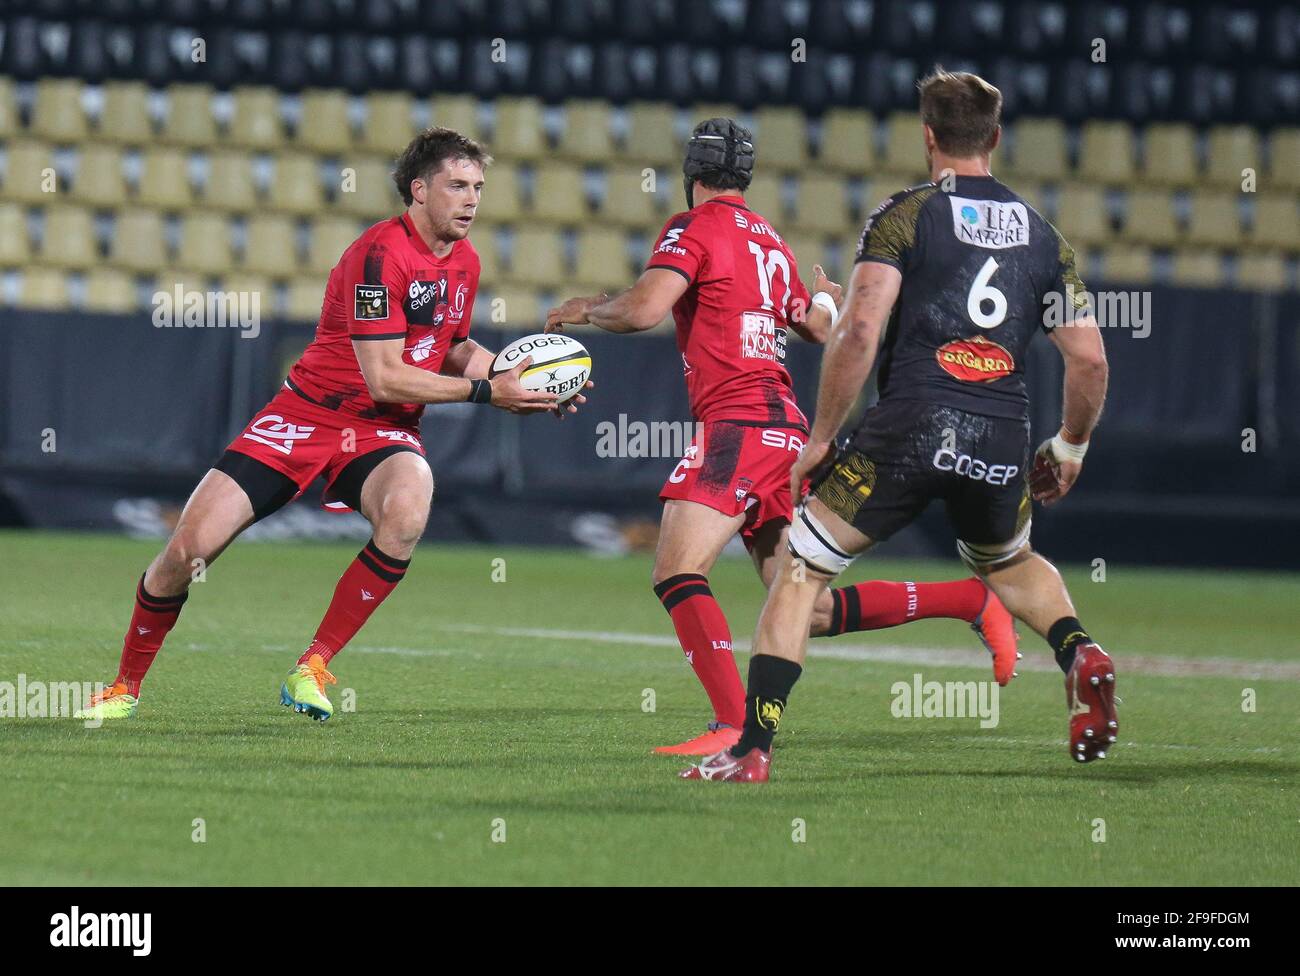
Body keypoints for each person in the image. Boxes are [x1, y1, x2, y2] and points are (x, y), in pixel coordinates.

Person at [683, 71, 1117, 782]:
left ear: (927, 137)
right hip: (1002, 430)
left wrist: (822, 438)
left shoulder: (904, 215)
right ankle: (1080, 651)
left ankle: (752, 749)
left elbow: (857, 331)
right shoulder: (1044, 237)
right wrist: (1071, 445)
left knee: (798, 571)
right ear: (996, 138)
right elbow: (1090, 359)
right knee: (1009, 561)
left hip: (912, 424)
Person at [76, 128, 583, 722]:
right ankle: (124, 687)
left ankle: (312, 667)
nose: (471, 200)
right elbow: (385, 378)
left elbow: (449, 344)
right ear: (419, 190)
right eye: (456, 186)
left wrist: (520, 379)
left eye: (477, 187)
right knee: (189, 550)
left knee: (408, 506)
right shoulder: (377, 258)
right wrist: (486, 393)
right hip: (307, 414)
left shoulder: (464, 261)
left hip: (380, 431)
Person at [548, 117, 1018, 756]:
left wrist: (587, 310)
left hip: (738, 424)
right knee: (803, 606)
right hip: (785, 431)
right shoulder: (767, 238)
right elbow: (817, 327)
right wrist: (828, 301)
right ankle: (966, 598)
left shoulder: (693, 227)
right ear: (745, 176)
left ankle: (732, 726)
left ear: (692, 176)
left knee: (676, 568)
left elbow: (644, 309)